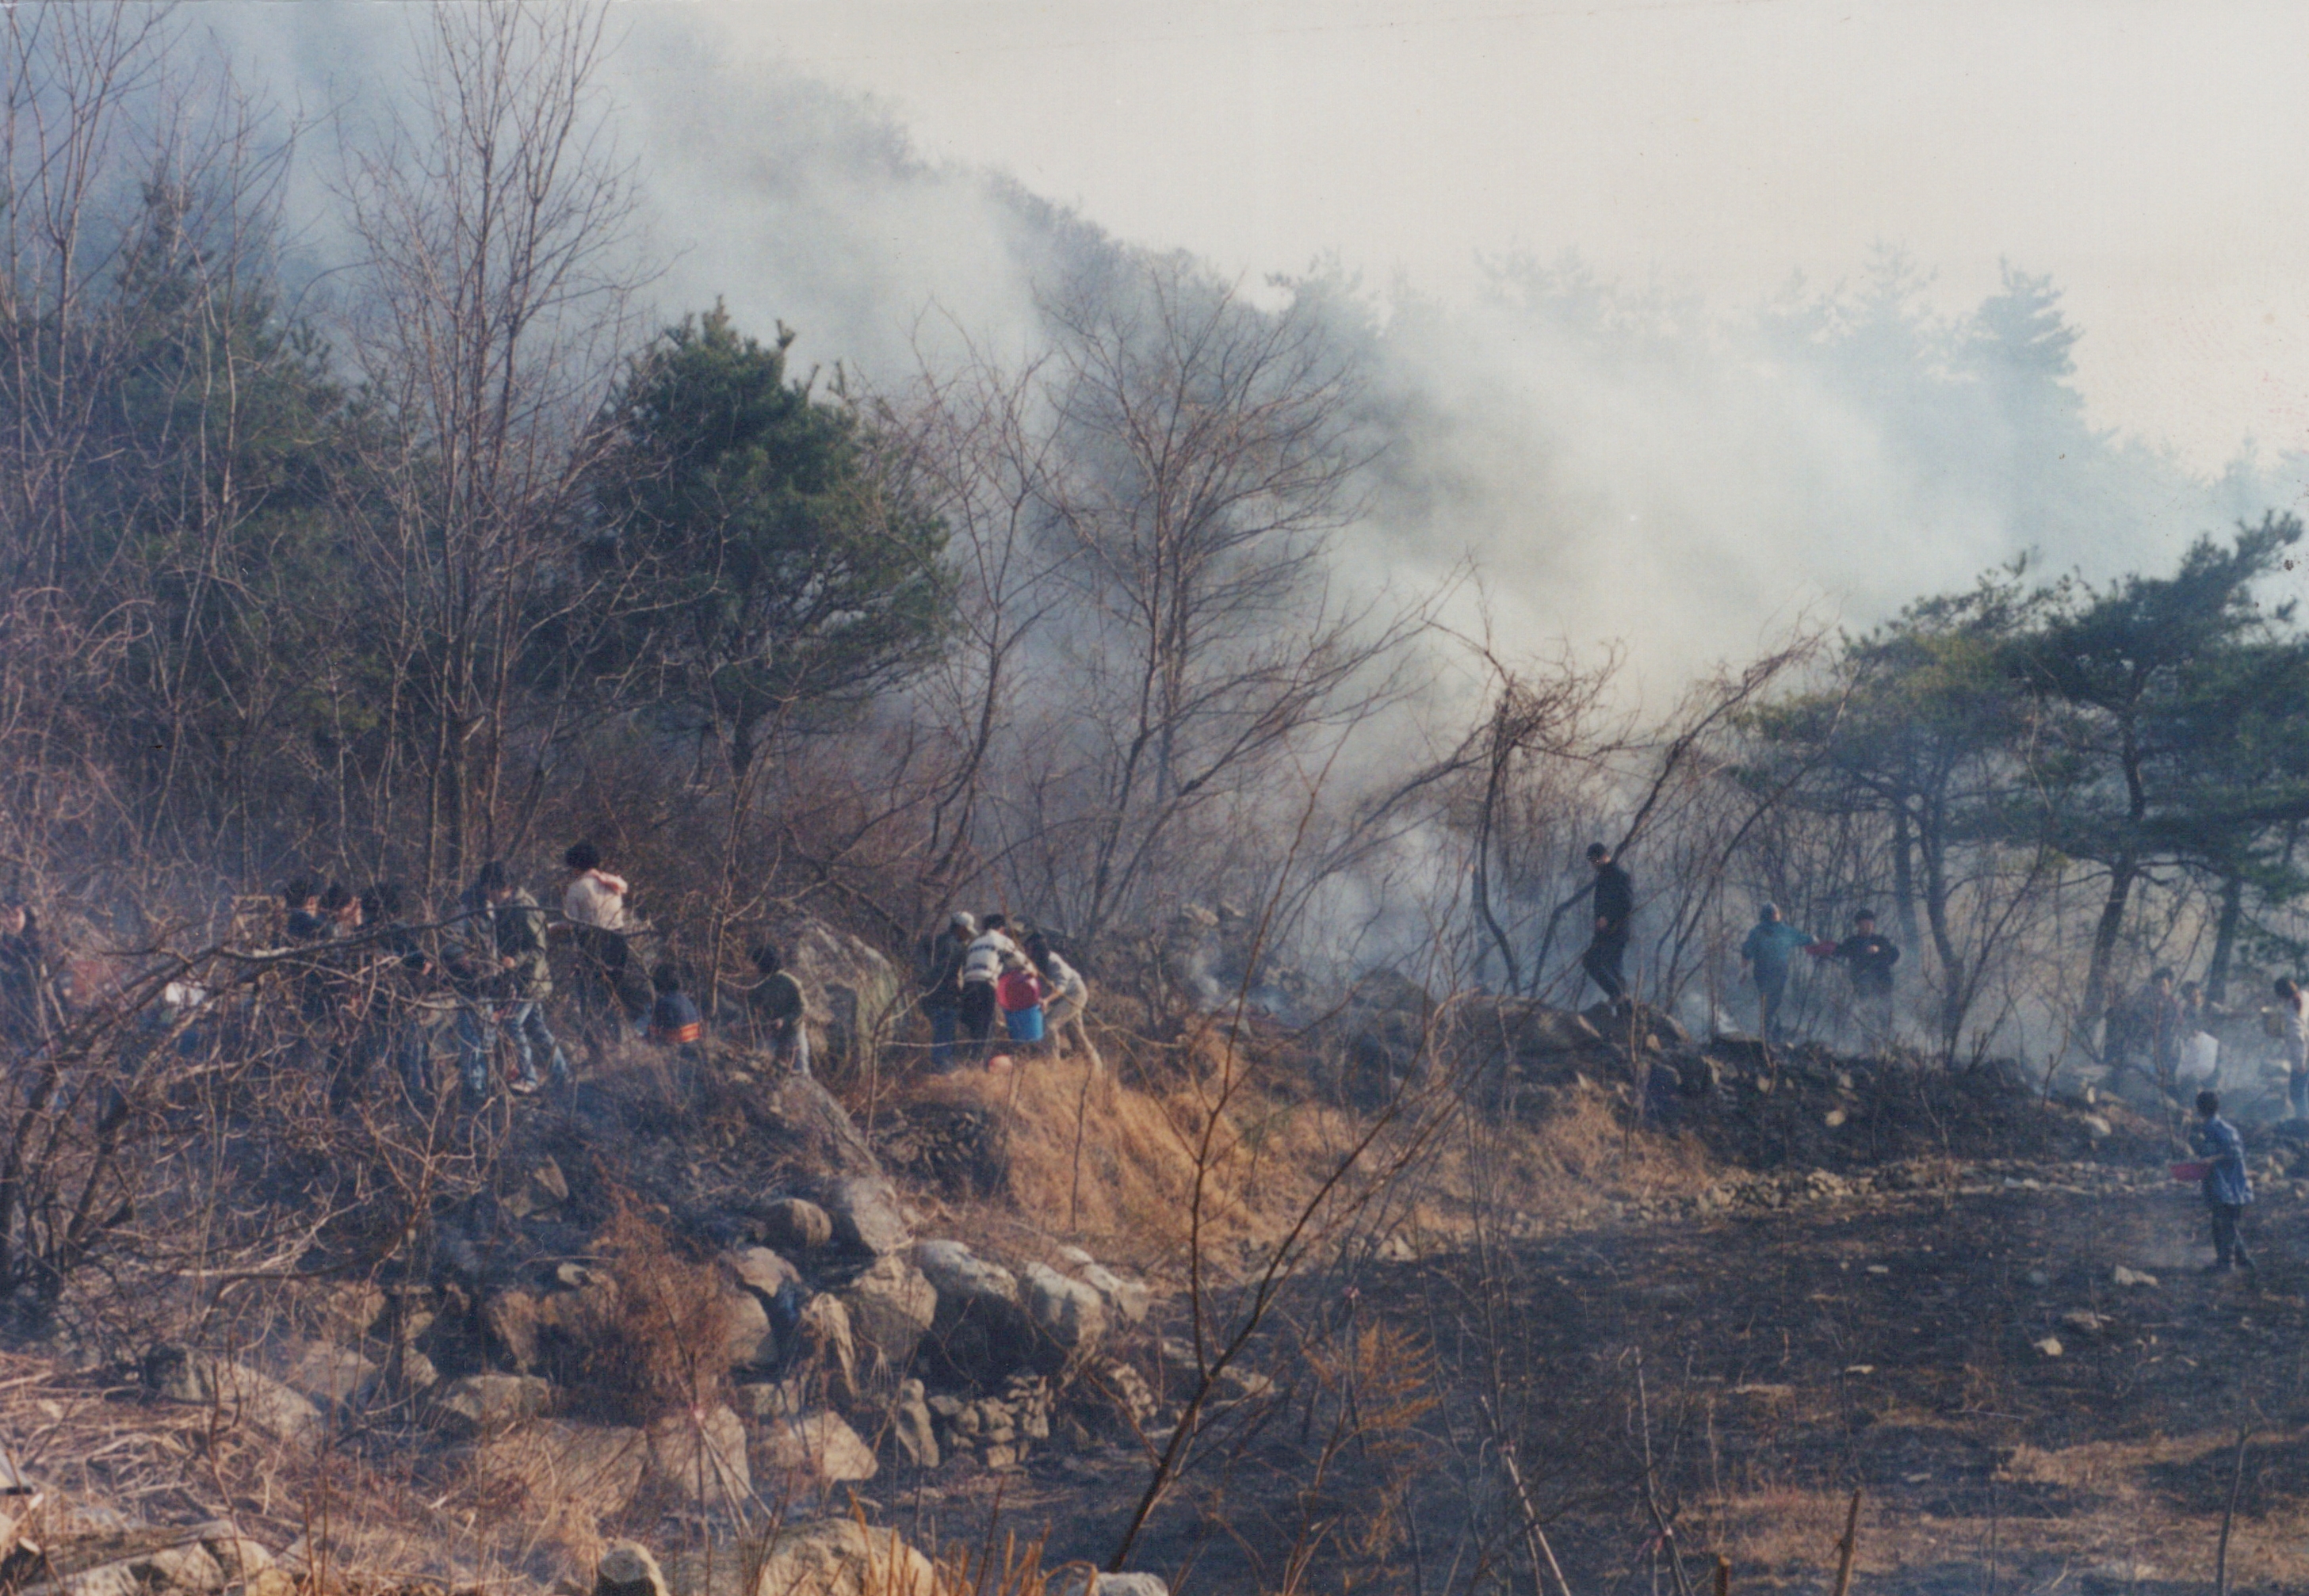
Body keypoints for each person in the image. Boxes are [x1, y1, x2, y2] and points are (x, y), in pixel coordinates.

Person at [453, 861, 571, 1099]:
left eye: (489, 889)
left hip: (530, 981)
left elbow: (539, 947)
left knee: (512, 1023)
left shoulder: (523, 908)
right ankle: (562, 1075)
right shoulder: (507, 905)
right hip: (522, 980)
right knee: (537, 1029)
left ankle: (529, 1078)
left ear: (501, 887)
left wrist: (515, 961)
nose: (487, 895)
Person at [561, 842, 641, 1050]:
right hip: (618, 942)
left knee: (590, 997)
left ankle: (598, 1046)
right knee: (611, 993)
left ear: (576, 866)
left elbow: (574, 925)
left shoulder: (576, 889)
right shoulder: (612, 884)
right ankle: (616, 1040)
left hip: (593, 944)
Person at [2191, 1089, 2254, 1272]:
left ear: (2200, 1109)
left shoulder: (2216, 1129)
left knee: (2222, 1224)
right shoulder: (2223, 1128)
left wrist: (2209, 1160)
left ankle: (2226, 1264)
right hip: (2231, 1184)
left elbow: (2232, 1153)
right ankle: (2244, 1260)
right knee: (2227, 1223)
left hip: (2225, 1185)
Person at [1738, 903, 1813, 1044]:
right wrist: (1814, 940)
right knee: (1773, 1002)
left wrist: (1743, 971)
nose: (1777, 915)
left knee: (1768, 1001)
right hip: (1778, 971)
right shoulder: (1783, 930)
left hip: (1762, 972)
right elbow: (1802, 939)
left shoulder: (1757, 931)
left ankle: (1770, 1032)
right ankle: (1769, 1035)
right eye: (1775, 913)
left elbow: (1746, 952)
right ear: (1774, 915)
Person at [1026, 932, 1099, 1071]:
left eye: (1030, 948)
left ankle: (1053, 1066)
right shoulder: (1035, 964)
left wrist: (1047, 1000)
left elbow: (1061, 987)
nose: (1027, 952)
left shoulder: (1053, 961)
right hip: (1062, 997)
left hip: (1074, 994)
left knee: (1049, 1024)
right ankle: (1096, 1069)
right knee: (1076, 1034)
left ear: (1038, 949)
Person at [916, 912, 976, 1071]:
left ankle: (942, 1065)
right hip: (943, 997)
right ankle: (942, 1068)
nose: (968, 936)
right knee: (944, 1032)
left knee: (941, 1032)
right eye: (967, 932)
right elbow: (944, 973)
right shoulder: (953, 946)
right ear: (961, 929)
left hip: (930, 995)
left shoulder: (938, 940)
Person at [1829, 911, 1901, 1044]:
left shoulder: (1881, 941)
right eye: (1865, 924)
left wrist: (1879, 950)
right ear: (1858, 925)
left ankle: (1890, 1047)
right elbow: (1840, 951)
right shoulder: (1852, 942)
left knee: (1885, 1018)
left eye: (1870, 923)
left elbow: (1894, 955)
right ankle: (1869, 1048)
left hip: (1883, 986)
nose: (1868, 926)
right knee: (1866, 1017)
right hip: (1862, 986)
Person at [960, 914, 1019, 1062]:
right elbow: (1018, 962)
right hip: (984, 986)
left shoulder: (974, 943)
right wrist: (1031, 969)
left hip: (967, 986)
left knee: (975, 1027)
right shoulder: (1002, 940)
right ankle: (980, 1064)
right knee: (987, 1027)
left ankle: (971, 1060)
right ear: (1001, 929)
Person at [1581, 843, 1634, 1010]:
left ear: (1604, 856)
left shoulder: (1619, 876)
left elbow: (1627, 904)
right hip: (1605, 934)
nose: (1593, 865)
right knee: (1614, 970)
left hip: (1616, 932)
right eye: (1591, 862)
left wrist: (1608, 919)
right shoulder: (1603, 876)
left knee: (1591, 961)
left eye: (1595, 860)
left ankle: (1618, 995)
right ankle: (1625, 1008)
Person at [745, 942, 809, 1075]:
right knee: (759, 1062)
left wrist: (784, 1021)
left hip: (793, 1030)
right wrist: (739, 1022)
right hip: (770, 1031)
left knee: (801, 1070)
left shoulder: (790, 982)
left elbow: (802, 1009)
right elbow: (751, 1008)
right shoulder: (759, 983)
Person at [0, 899, 45, 1050]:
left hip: (29, 1021)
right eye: (5, 915)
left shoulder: (35, 944)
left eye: (16, 914)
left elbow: (44, 987)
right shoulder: (4, 941)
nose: (11, 920)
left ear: (25, 914)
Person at [996, 951, 1046, 1055]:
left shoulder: (1018, 959)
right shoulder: (1004, 964)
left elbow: (1032, 972)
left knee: (1025, 1039)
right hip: (1013, 1000)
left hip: (1020, 1000)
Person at [647, 963, 705, 1047]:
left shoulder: (663, 1003)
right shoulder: (686, 999)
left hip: (678, 1047)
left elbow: (653, 1033)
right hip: (695, 1043)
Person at [2276, 977, 2309, 1120]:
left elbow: (2297, 1037)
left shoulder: (2290, 1011)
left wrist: (2300, 1062)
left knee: (2297, 1092)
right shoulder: (2305, 996)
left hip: (2304, 1055)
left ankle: (2303, 1123)